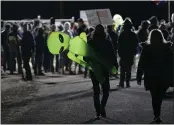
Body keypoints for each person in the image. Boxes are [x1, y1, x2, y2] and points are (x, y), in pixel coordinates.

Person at [136, 29, 173, 124]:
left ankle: (156, 115)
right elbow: (171, 63)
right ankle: (157, 115)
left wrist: (139, 75)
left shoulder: (147, 48)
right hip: (163, 76)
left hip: (151, 76)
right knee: (159, 96)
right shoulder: (166, 48)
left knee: (154, 96)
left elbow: (142, 63)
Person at [88, 24, 116, 119]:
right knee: (106, 91)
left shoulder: (90, 42)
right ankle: (102, 108)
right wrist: (115, 66)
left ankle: (98, 111)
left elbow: (85, 57)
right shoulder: (107, 42)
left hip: (94, 69)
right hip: (104, 69)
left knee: (96, 91)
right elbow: (112, 55)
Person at [117, 18, 139, 88]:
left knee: (123, 69)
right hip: (130, 54)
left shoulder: (122, 34)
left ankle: (122, 83)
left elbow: (119, 45)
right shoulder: (133, 34)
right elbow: (136, 44)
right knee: (128, 69)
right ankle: (127, 83)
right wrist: (134, 52)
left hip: (124, 54)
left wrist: (119, 53)